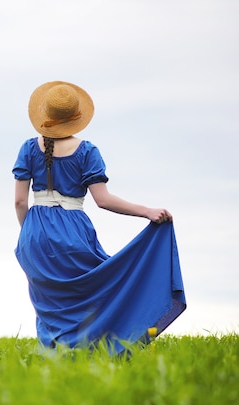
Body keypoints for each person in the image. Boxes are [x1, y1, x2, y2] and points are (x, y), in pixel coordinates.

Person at [12, 81, 186, 352]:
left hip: (35, 232)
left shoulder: (28, 148)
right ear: (76, 118)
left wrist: (30, 232)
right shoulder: (87, 151)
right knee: (95, 291)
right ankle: (91, 352)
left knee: (49, 301)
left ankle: (53, 360)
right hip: (73, 230)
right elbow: (103, 200)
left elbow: (20, 201)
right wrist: (148, 212)